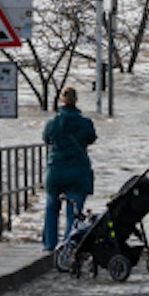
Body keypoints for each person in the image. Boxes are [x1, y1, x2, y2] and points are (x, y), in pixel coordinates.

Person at [41, 85, 96, 251]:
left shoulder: (52, 123)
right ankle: (68, 247)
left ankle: (49, 245)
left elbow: (46, 139)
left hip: (56, 172)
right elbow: (91, 138)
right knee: (74, 212)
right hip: (78, 172)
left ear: (61, 100)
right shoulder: (86, 123)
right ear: (76, 100)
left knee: (51, 207)